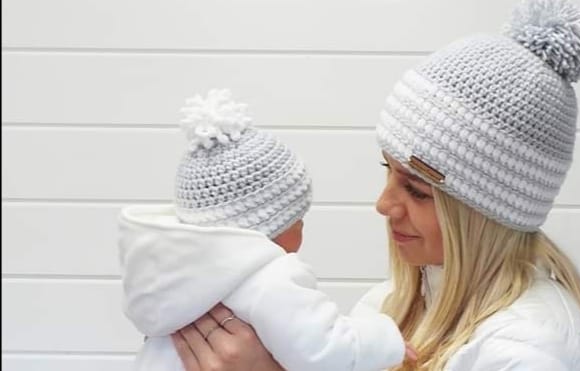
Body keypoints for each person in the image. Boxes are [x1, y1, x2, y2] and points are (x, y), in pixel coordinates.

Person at [172, 0, 580, 369]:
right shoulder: (398, 303)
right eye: (388, 172)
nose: (384, 205)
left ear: (486, 214)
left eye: (417, 191)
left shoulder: (529, 350)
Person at [118, 89, 415, 371]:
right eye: (298, 220)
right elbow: (322, 349)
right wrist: (384, 340)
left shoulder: (170, 283)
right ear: (272, 228)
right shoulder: (270, 279)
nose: (302, 230)